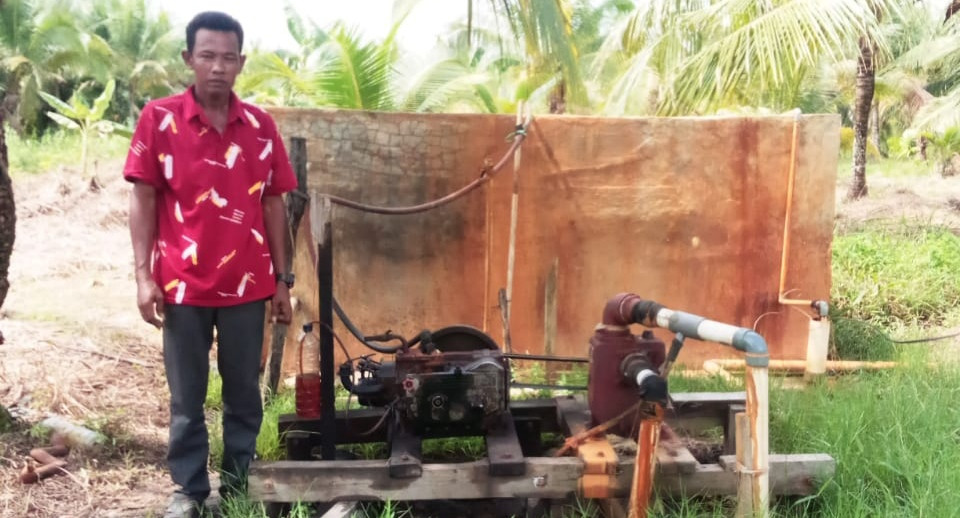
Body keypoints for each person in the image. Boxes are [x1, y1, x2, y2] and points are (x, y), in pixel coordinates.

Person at [124, 11, 296, 518]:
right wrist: (142, 276)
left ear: (241, 62)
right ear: (188, 59)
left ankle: (239, 487)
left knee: (244, 395)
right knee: (186, 399)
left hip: (247, 287)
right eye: (207, 56)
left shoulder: (260, 127)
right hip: (181, 286)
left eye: (228, 57)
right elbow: (143, 198)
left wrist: (283, 280)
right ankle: (190, 492)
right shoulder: (160, 120)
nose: (218, 67)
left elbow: (273, 204)